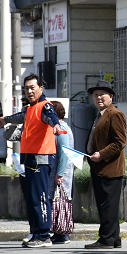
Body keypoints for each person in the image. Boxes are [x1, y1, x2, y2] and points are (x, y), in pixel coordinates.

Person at [0, 74, 62, 248]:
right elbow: (17, 117)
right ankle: (36, 232)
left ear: (41, 88)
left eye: (32, 87)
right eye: (27, 88)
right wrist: (5, 120)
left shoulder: (44, 106)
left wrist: (56, 125)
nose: (29, 91)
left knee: (40, 198)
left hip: (41, 159)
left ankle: (43, 235)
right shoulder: (29, 109)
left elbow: (52, 117)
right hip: (30, 159)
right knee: (33, 199)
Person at [84, 80, 127, 249]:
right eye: (95, 95)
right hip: (99, 167)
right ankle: (114, 238)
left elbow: (120, 142)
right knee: (106, 205)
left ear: (111, 96)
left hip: (109, 168)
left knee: (108, 205)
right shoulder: (101, 114)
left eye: (102, 94)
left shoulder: (114, 114)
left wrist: (101, 154)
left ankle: (107, 239)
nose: (98, 97)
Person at [50, 101, 75, 245]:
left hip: (62, 171)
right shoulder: (65, 127)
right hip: (64, 170)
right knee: (61, 202)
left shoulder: (61, 128)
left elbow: (64, 152)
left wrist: (59, 174)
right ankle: (60, 232)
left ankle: (62, 233)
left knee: (60, 202)